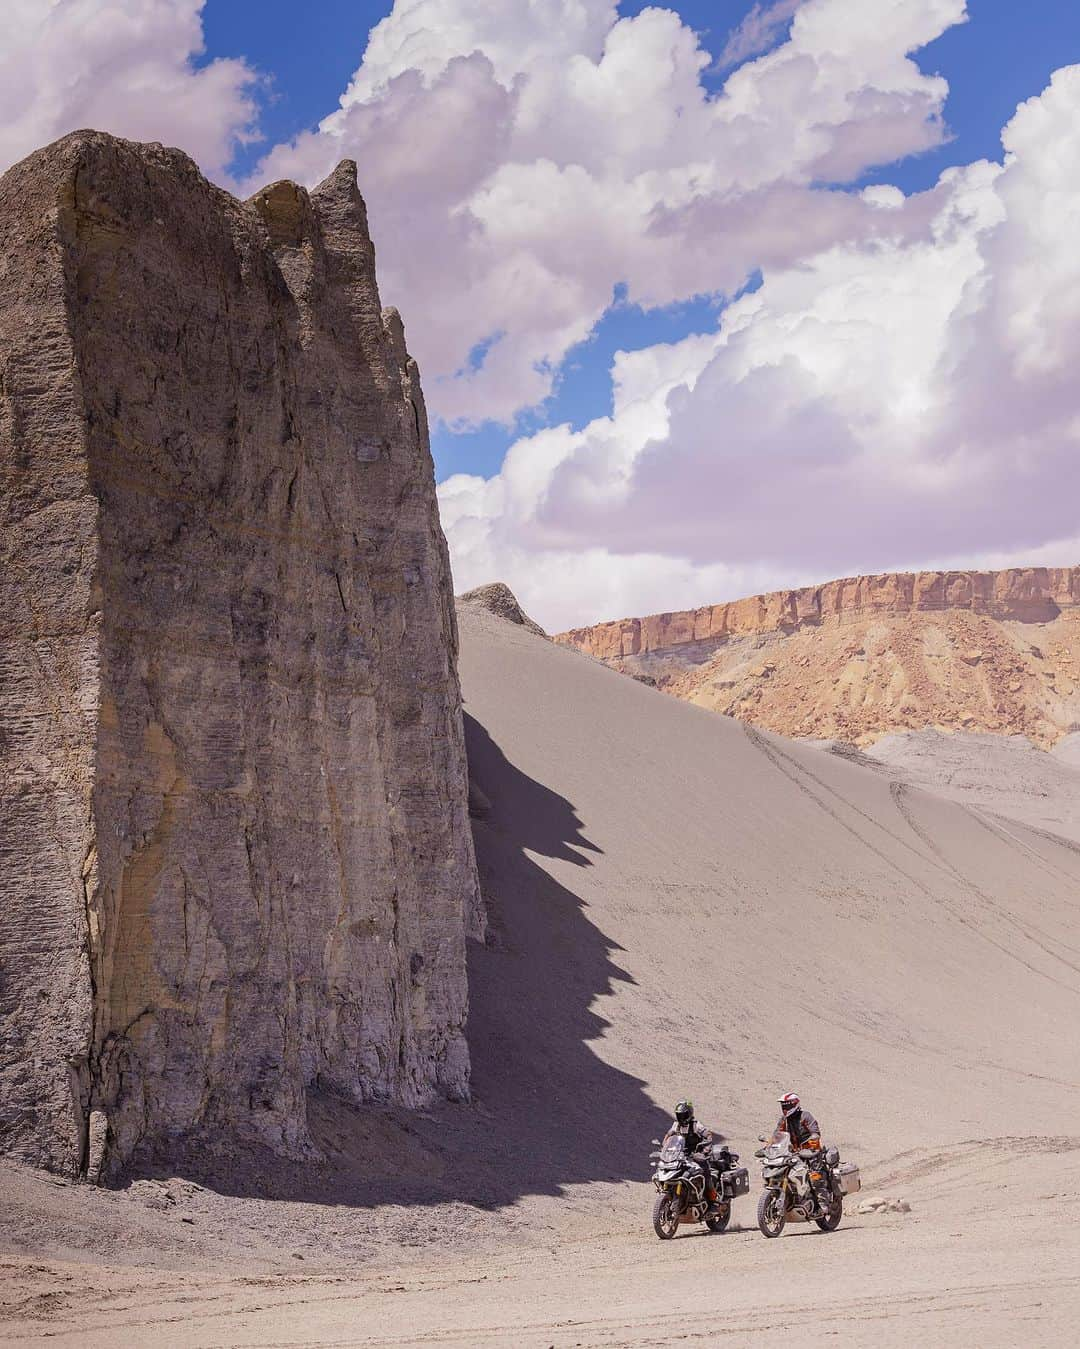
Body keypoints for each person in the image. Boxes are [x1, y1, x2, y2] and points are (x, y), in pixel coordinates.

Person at [772, 1092, 831, 1213]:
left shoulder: (805, 1116)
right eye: (783, 1106)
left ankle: (822, 1203)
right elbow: (777, 1134)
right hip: (793, 1153)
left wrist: (813, 1138)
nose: (784, 1108)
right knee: (779, 1171)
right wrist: (770, 1146)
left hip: (810, 1151)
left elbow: (815, 1130)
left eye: (787, 1106)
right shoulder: (784, 1119)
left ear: (794, 1105)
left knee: (814, 1176)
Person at [664, 1099, 721, 1213]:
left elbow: (708, 1135)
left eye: (683, 1114)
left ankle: (713, 1203)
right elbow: (669, 1136)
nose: (681, 1117)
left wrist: (705, 1150)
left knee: (706, 1175)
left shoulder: (696, 1125)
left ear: (689, 1113)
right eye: (679, 1115)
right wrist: (664, 1147)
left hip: (697, 1155)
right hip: (681, 1154)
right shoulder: (676, 1125)